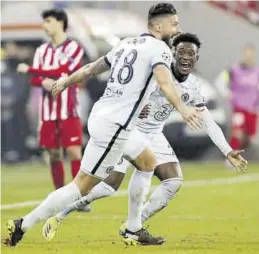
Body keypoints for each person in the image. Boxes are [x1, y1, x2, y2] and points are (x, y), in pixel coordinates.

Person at [4, 3, 202, 247]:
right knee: (81, 187)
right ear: (159, 26)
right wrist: (183, 108)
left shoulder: (126, 43)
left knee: (148, 161)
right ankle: (22, 224)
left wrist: (66, 80)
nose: (177, 27)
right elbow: (163, 80)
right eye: (174, 23)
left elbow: (91, 68)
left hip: (108, 117)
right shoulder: (159, 48)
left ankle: (133, 228)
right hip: (115, 124)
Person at [42, 33, 248, 245]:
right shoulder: (153, 73)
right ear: (172, 55)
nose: (186, 57)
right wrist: (136, 104)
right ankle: (61, 214)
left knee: (173, 182)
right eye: (181, 52)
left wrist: (227, 150)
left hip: (154, 134)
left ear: (197, 59)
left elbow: (207, 120)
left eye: (191, 54)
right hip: (130, 131)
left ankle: (134, 225)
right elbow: (121, 89)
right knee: (108, 186)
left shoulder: (193, 86)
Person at [16, 9, 85, 189]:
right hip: (48, 112)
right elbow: (35, 80)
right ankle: (59, 194)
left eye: (48, 21)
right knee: (54, 155)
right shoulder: (41, 51)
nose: (44, 26)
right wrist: (43, 82)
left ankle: (80, 196)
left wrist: (31, 69)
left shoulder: (74, 48)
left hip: (69, 109)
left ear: (60, 22)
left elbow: (63, 71)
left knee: (74, 152)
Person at [215, 43, 259, 165]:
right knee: (237, 132)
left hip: (252, 108)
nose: (248, 55)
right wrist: (227, 93)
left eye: (250, 52)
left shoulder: (256, 71)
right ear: (243, 54)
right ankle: (231, 158)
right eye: (246, 52)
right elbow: (219, 82)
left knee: (250, 136)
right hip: (239, 108)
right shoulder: (234, 70)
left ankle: (241, 154)